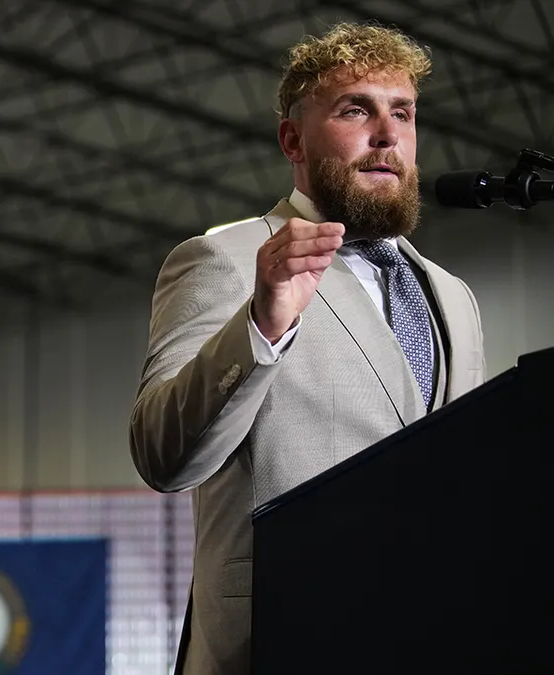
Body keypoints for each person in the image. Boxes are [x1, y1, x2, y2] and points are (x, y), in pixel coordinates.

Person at [128, 22, 486, 675]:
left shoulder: (453, 296)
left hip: (432, 641)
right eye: (356, 110)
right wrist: (261, 325)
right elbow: (162, 455)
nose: (387, 135)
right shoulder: (227, 258)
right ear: (293, 140)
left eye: (403, 113)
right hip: (279, 642)